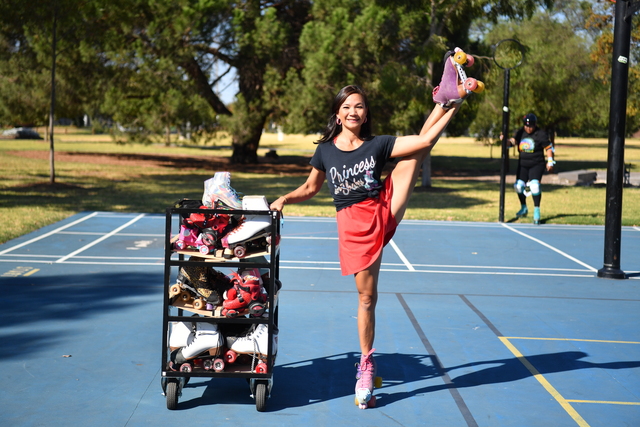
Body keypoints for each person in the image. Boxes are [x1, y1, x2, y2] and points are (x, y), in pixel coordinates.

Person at [270, 51, 474, 409]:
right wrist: (286, 197)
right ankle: (366, 362)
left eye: (360, 107)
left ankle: (450, 99)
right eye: (348, 106)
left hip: (381, 207)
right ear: (338, 113)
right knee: (366, 298)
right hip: (352, 227)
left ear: (365, 113)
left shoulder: (377, 144)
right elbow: (311, 188)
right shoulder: (324, 152)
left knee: (417, 153)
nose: (354, 112)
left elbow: (424, 141)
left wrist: (453, 107)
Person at [506, 113, 555, 224]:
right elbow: (512, 142)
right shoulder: (521, 133)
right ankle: (524, 207)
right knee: (518, 187)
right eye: (526, 126)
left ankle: (536, 210)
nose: (528, 128)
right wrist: (506, 140)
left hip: (536, 164)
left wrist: (550, 161)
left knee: (534, 186)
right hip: (523, 165)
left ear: (535, 125)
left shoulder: (540, 134)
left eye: (531, 126)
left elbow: (548, 147)